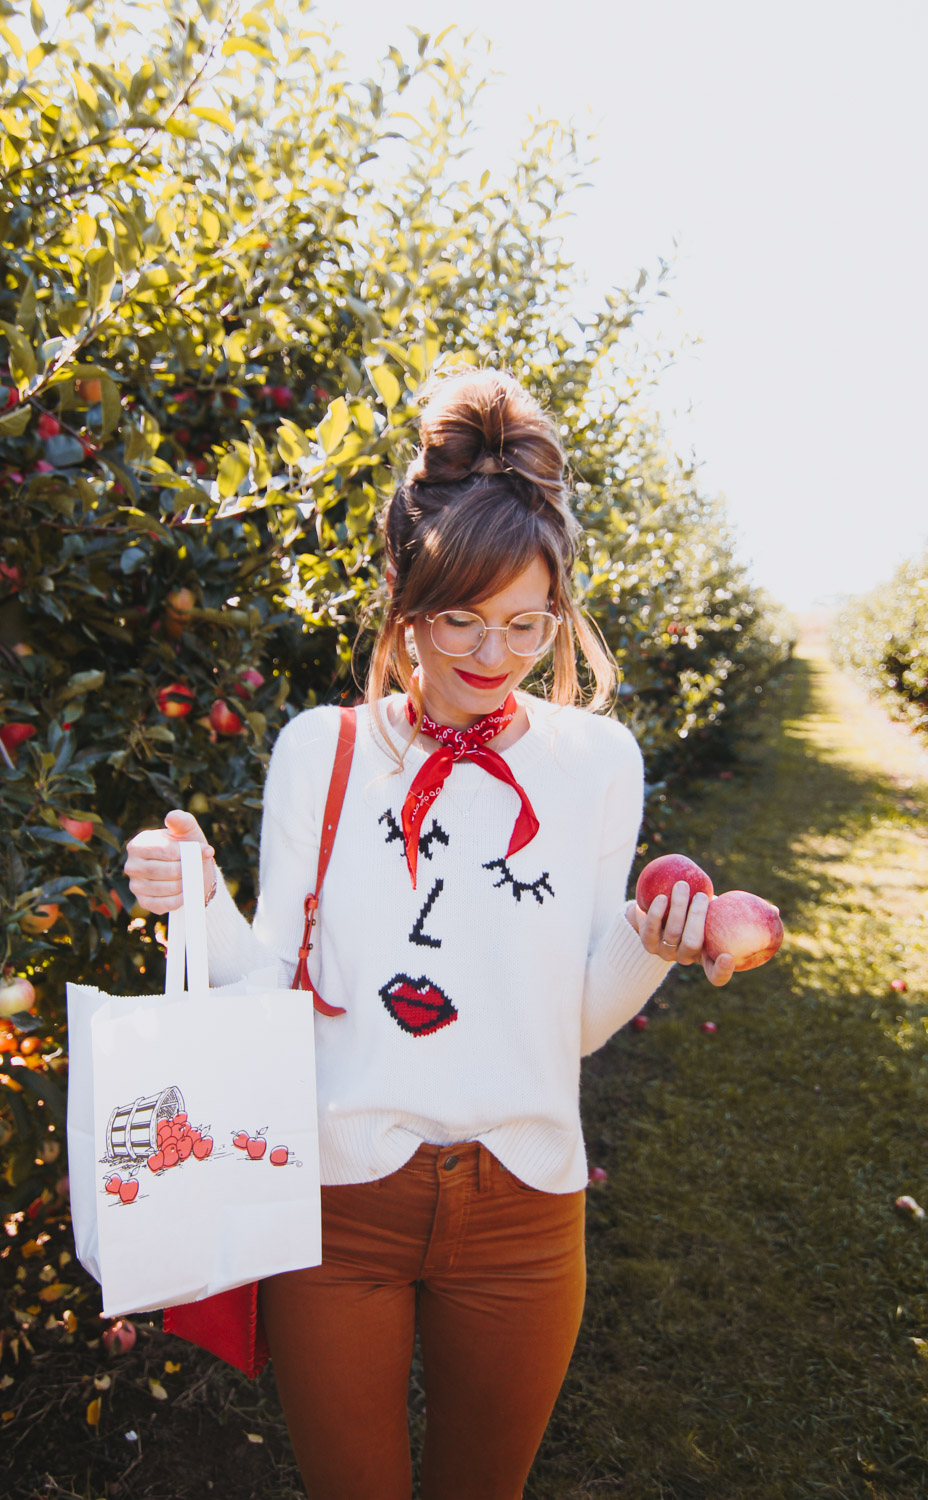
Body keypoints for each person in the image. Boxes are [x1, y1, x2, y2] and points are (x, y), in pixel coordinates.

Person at [124, 369, 735, 1500]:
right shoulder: (324, 747)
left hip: (524, 1210)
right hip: (341, 1206)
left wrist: (653, 941)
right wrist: (195, 893)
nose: (490, 653)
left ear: (560, 615)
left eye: (523, 623)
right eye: (458, 617)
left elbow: (576, 1031)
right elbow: (270, 982)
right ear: (404, 599)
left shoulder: (597, 763)